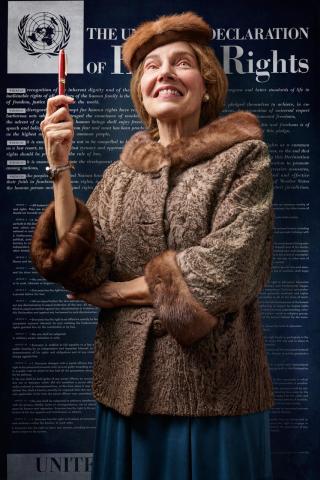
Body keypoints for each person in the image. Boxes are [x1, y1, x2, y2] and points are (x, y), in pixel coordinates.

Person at [30, 11, 275, 480]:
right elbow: (84, 269)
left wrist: (116, 295)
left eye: (181, 63)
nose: (164, 73)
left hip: (216, 396)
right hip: (127, 396)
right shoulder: (119, 176)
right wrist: (60, 170)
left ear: (206, 83)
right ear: (141, 90)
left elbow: (227, 269)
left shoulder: (245, 158)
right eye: (151, 67)